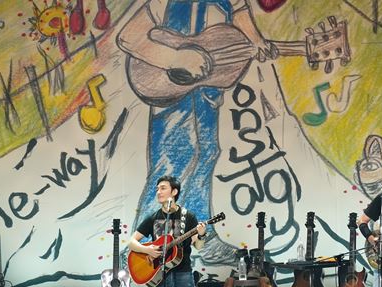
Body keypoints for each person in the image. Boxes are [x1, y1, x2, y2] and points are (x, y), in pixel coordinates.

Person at [117, 0, 275, 264]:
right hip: (170, 92)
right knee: (172, 165)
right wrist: (175, 59)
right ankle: (139, 248)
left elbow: (240, 12)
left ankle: (202, 238)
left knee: (205, 156)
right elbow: (129, 36)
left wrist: (256, 41)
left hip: (206, 93)